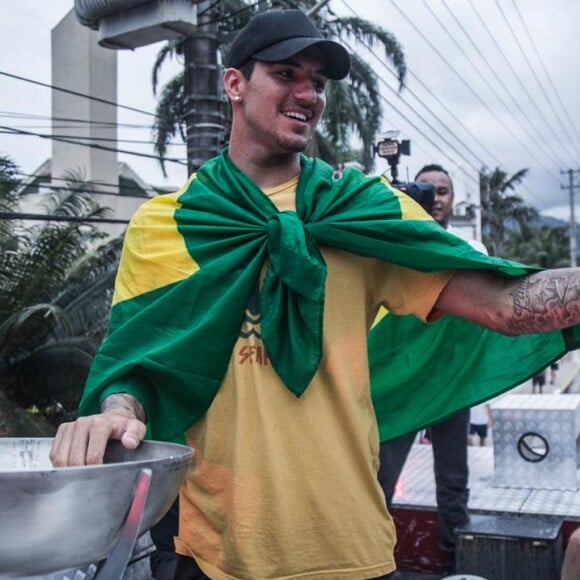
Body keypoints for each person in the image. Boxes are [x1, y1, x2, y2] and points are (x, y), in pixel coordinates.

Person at [49, 9, 580, 580]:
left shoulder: (362, 212)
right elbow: (135, 371)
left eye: (319, 83)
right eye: (286, 73)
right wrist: (114, 414)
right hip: (216, 553)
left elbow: (504, 303)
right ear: (234, 84)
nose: (309, 94)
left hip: (350, 549)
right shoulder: (166, 226)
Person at [378, 163, 487, 574]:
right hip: (402, 386)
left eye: (443, 191)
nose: (436, 198)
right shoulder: (390, 245)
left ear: (453, 200)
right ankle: (377, 565)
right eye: (427, 189)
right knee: (378, 484)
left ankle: (452, 566)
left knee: (453, 486)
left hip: (449, 388)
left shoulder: (471, 251)